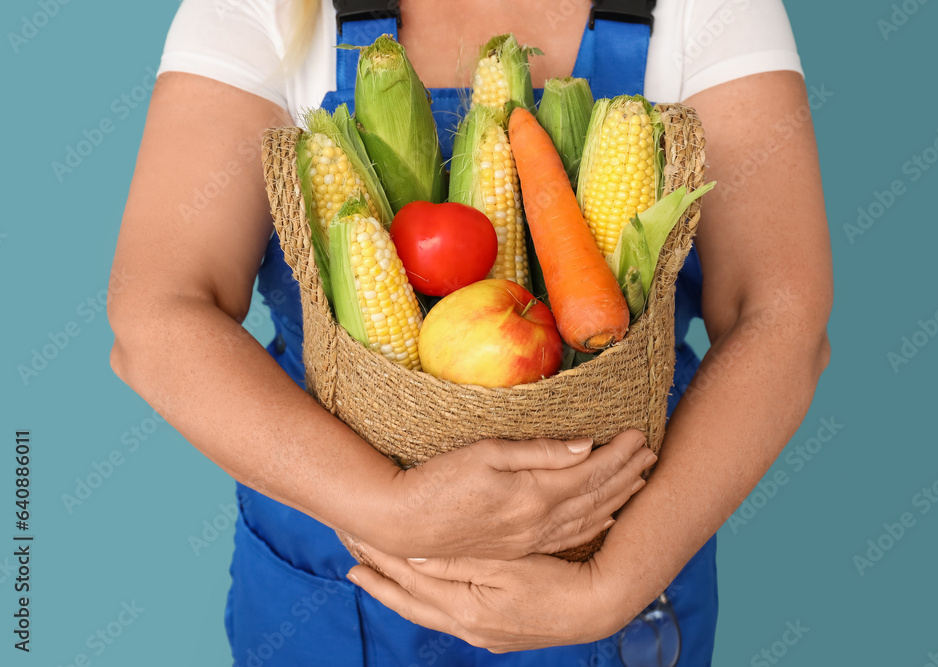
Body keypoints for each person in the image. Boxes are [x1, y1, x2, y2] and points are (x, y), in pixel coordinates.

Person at [107, 0, 832, 665]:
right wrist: (387, 505)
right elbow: (156, 314)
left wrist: (613, 585)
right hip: (339, 572)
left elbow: (781, 320)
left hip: (624, 555)